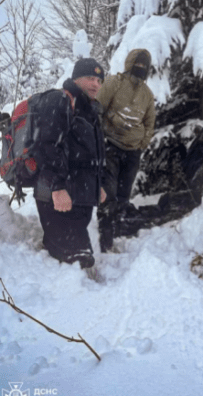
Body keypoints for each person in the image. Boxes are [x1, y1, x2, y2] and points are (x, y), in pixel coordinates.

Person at [35, 58, 107, 269]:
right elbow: (47, 146)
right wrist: (57, 187)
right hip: (57, 196)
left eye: (99, 80)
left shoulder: (90, 110)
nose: (95, 84)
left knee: (80, 257)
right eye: (89, 78)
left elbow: (91, 155)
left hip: (79, 197)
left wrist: (98, 185)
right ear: (76, 78)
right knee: (75, 261)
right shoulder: (60, 100)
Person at [95, 48, 156, 252]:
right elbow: (97, 108)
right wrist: (112, 119)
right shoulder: (114, 82)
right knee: (108, 193)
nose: (140, 69)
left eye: (144, 66)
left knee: (123, 194)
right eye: (137, 64)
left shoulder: (147, 94)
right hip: (110, 145)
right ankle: (105, 234)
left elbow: (150, 122)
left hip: (132, 152)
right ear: (130, 64)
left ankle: (117, 228)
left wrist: (142, 142)